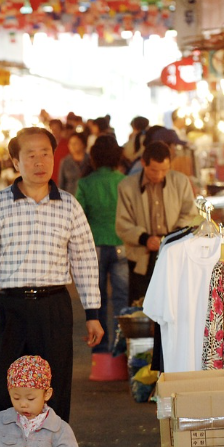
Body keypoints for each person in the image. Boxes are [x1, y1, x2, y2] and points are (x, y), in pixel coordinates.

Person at [0, 127, 103, 424]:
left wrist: (92, 313)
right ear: (15, 162)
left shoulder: (68, 205)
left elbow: (84, 260)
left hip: (53, 307)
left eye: (45, 153)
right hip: (8, 307)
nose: (39, 161)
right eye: (30, 155)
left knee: (53, 386)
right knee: (2, 387)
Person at [116, 141, 198, 304]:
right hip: (141, 257)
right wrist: (146, 239)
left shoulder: (181, 182)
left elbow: (190, 215)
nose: (159, 175)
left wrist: (171, 238)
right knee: (142, 306)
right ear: (143, 163)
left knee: (175, 304)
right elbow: (123, 224)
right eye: (154, 170)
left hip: (175, 255)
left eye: (164, 170)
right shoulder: (127, 186)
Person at [75, 134, 128, 354]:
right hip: (121, 244)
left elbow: (78, 216)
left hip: (93, 246)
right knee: (121, 299)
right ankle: (121, 347)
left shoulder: (85, 183)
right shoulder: (124, 181)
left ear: (94, 157)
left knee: (97, 300)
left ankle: (101, 347)